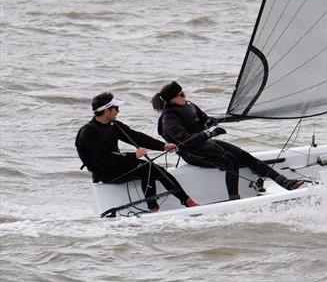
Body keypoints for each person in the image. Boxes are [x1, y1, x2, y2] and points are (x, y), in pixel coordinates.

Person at [151, 81, 303, 201]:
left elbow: (205, 120)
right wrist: (210, 133)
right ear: (173, 99)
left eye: (184, 93)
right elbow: (184, 141)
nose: (185, 96)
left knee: (243, 155)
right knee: (229, 159)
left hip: (205, 144)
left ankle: (283, 181)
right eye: (181, 95)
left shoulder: (189, 106)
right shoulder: (169, 118)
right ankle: (234, 198)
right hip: (192, 153)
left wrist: (212, 123)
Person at [75, 92, 199, 213]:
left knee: (157, 170)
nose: (118, 111)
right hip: (105, 172)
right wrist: (133, 156)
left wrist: (164, 146)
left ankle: (187, 201)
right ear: (107, 110)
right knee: (147, 168)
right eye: (116, 108)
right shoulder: (88, 132)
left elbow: (136, 137)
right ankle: (154, 209)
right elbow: (103, 157)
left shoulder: (114, 125)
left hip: (117, 165)